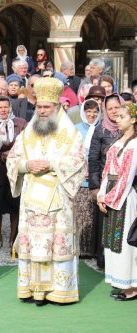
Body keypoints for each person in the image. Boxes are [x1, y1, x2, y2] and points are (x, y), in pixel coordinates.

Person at [6, 77, 85, 305]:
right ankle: (33, 289)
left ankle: (58, 290)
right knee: (33, 243)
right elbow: (13, 158)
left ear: (57, 107)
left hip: (58, 197)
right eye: (39, 107)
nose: (42, 111)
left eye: (46, 107)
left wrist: (52, 164)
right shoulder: (28, 133)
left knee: (56, 243)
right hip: (32, 198)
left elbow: (79, 161)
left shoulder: (71, 134)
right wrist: (26, 166)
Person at [97, 103, 137, 301]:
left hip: (124, 197)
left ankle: (132, 285)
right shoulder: (118, 141)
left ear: (133, 119)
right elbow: (108, 172)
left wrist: (110, 198)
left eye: (122, 116)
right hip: (112, 193)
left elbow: (127, 175)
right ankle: (122, 282)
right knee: (113, 240)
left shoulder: (134, 144)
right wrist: (101, 195)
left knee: (125, 240)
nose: (117, 119)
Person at [88, 93, 125, 268]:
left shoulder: (131, 127)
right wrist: (95, 187)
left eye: (116, 107)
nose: (113, 112)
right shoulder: (100, 129)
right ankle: (104, 258)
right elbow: (93, 160)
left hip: (127, 183)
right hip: (106, 183)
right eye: (110, 109)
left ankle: (123, 259)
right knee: (105, 221)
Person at [0, 96, 27, 250]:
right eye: (0, 107)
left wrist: (11, 155)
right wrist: (0, 154)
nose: (3, 110)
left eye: (6, 107)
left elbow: (25, 143)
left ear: (10, 107)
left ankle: (14, 237)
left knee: (14, 205)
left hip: (15, 170)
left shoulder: (20, 123)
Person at [74, 99, 101, 258]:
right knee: (80, 213)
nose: (92, 115)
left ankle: (92, 248)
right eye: (88, 111)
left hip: (96, 177)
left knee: (93, 214)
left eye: (95, 112)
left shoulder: (101, 129)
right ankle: (79, 247)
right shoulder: (76, 129)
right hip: (79, 177)